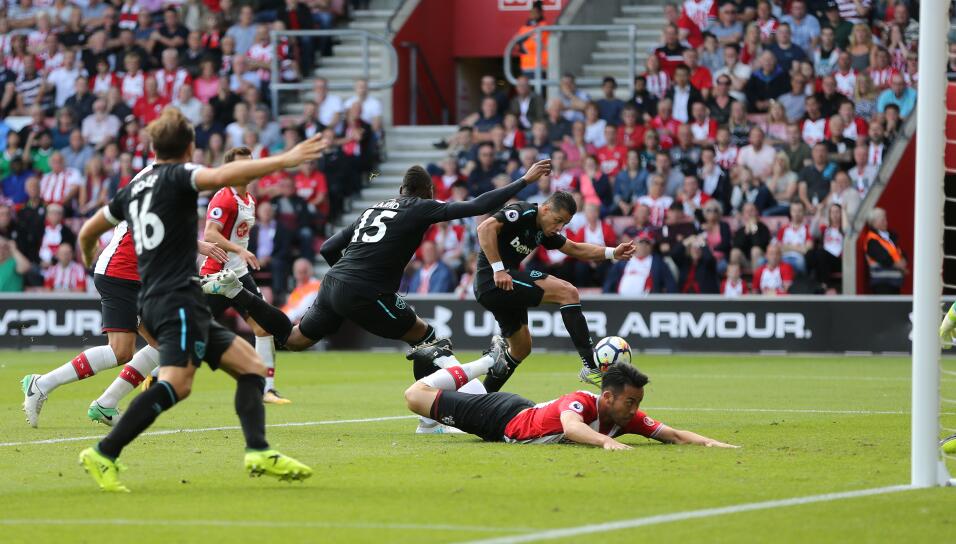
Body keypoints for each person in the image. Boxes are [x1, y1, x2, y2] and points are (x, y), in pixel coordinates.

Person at [204, 161, 556, 434]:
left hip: (333, 282)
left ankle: (238, 291)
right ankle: (435, 418)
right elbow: (480, 204)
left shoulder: (373, 208)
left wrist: (346, 284)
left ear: (402, 188)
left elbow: (328, 247)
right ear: (427, 192)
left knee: (293, 339)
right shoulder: (421, 207)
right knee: (427, 337)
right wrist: (524, 181)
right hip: (367, 290)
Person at [70, 108, 321, 491]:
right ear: (189, 148)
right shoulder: (180, 175)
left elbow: (89, 229)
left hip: (164, 298)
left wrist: (89, 257)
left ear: (153, 146)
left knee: (251, 367)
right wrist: (286, 160)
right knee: (178, 383)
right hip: (174, 301)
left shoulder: (133, 188)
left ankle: (258, 450)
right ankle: (104, 452)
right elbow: (222, 176)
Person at [472, 192, 636, 391]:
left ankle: (479, 398)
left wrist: (612, 252)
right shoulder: (523, 212)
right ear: (546, 209)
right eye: (558, 221)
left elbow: (574, 248)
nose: (560, 228)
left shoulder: (544, 230)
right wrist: (498, 269)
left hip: (504, 286)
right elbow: (484, 228)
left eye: (564, 224)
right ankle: (592, 367)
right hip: (493, 280)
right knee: (567, 292)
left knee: (521, 348)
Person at [403, 357, 737, 449]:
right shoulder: (580, 402)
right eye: (630, 402)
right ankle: (485, 362)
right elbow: (571, 428)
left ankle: (450, 362)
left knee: (446, 403)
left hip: (521, 411)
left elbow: (674, 435)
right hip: (501, 418)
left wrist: (716, 444)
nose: (634, 410)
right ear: (608, 396)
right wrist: (608, 444)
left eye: (637, 403)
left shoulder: (625, 417)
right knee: (415, 396)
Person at [200, 147, 289, 404]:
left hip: (239, 274)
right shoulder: (224, 198)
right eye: (242, 164)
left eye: (250, 163)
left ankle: (266, 388)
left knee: (263, 327)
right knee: (189, 329)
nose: (248, 168)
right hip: (216, 275)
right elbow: (210, 234)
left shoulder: (249, 199)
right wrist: (239, 248)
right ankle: (152, 372)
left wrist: (241, 254)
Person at [603, 231, 676, 295]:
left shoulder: (658, 263)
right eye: (641, 242)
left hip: (647, 304)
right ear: (635, 244)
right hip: (621, 302)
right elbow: (609, 283)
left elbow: (670, 284)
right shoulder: (623, 261)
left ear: (652, 246)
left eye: (647, 243)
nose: (644, 245)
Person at [864, 207, 906, 294]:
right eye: (882, 219)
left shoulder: (890, 237)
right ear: (874, 222)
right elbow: (882, 257)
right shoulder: (871, 240)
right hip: (882, 283)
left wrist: (904, 260)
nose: (885, 221)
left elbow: (899, 251)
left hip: (895, 282)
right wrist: (898, 264)